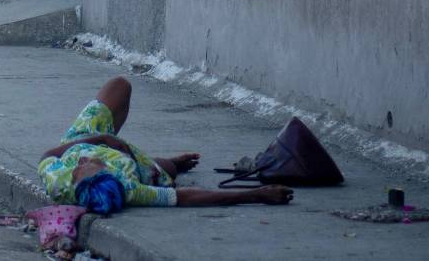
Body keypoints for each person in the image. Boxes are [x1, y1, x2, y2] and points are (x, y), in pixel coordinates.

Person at [39, 77, 294, 212]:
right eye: (88, 165)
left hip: (82, 138)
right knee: (168, 172)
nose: (83, 160)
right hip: (134, 161)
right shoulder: (130, 189)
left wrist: (100, 139)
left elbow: (48, 154)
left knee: (119, 86)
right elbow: (185, 197)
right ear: (109, 174)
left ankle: (154, 159)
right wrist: (256, 195)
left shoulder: (59, 182)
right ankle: (168, 163)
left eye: (79, 167)